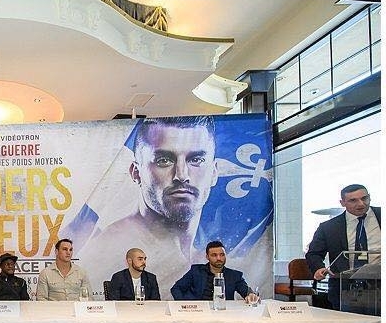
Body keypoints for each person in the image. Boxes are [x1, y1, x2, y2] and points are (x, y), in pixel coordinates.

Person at [79, 116, 270, 298]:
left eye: (196, 160)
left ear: (213, 173)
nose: (182, 175)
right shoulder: (106, 251)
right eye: (164, 160)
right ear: (136, 172)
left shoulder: (200, 262)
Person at [305, 184, 381, 310]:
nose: (361, 204)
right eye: (353, 200)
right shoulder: (328, 227)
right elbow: (314, 253)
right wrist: (319, 268)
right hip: (345, 288)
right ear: (342, 203)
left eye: (364, 198)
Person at [171, 240, 257, 303]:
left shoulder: (235, 275)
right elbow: (176, 288)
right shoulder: (196, 271)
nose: (219, 258)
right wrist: (185, 305)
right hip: (198, 313)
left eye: (222, 255)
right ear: (207, 257)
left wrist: (250, 295)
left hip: (223, 314)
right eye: (214, 255)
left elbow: (246, 291)